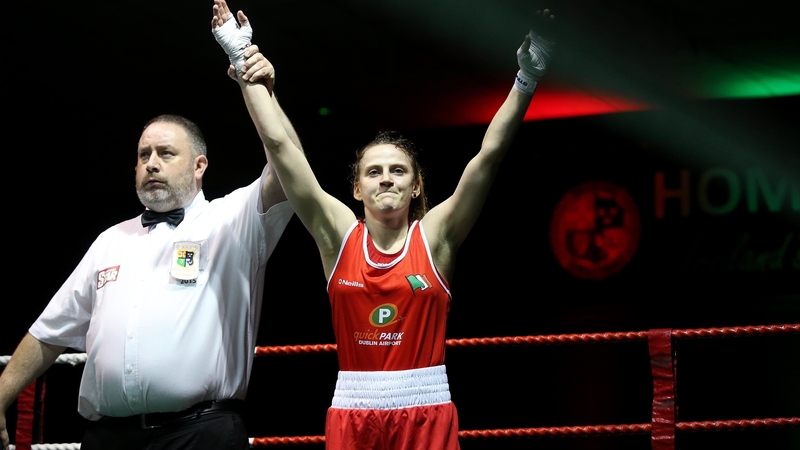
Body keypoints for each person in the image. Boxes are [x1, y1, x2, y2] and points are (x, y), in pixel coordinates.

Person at [214, 0, 555, 448]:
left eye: (398, 171)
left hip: (427, 408)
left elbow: (487, 158)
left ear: (416, 187)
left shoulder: (436, 236)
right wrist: (241, 59)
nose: (386, 179)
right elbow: (280, 148)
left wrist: (527, 80)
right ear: (356, 189)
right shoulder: (337, 235)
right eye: (374, 172)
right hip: (353, 408)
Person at [0, 15, 304, 449]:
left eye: (165, 153)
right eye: (144, 155)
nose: (152, 163)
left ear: (200, 166)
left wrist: (257, 86)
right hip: (108, 437)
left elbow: (287, 163)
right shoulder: (111, 240)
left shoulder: (233, 219)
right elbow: (48, 334)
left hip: (200, 434)